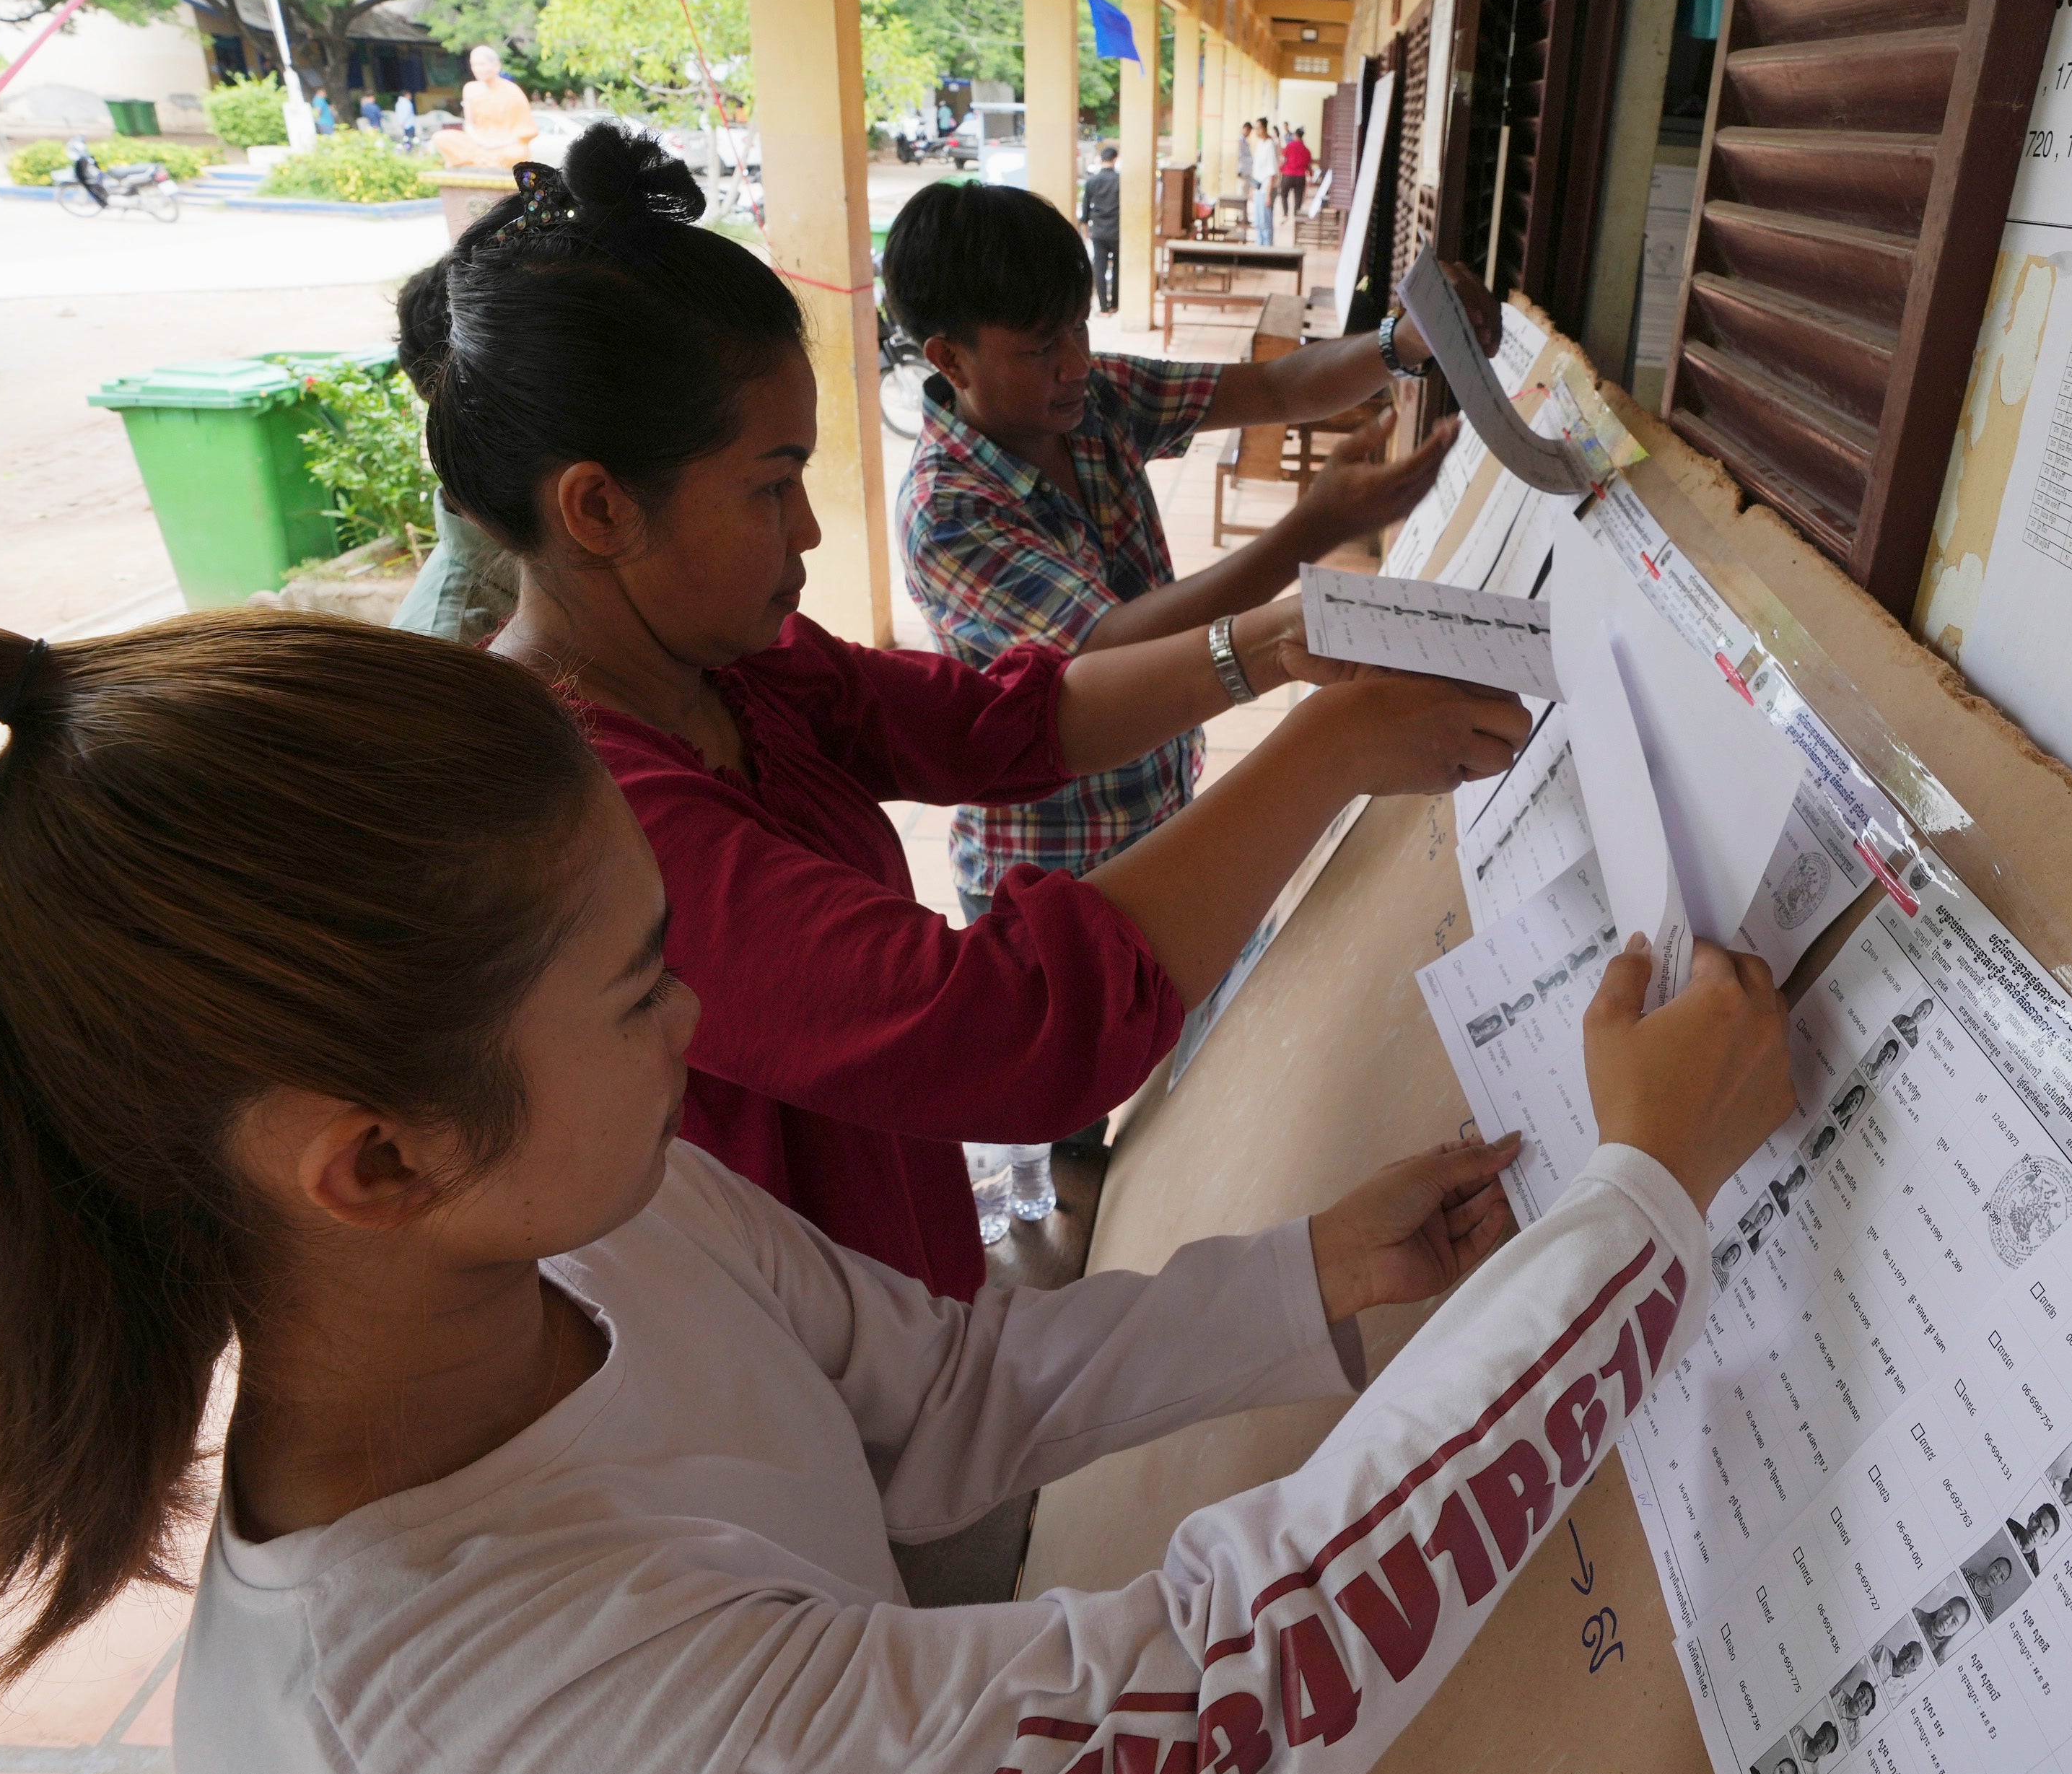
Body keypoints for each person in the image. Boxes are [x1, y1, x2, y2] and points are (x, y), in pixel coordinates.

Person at [0, 607, 1800, 1774]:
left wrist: (1311, 1280)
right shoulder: (480, 1717)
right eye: (639, 984)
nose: (694, 1019)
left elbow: (932, 1396)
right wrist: (1638, 1204)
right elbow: (1239, 1688)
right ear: (376, 1161)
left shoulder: (590, 1230)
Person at [401, 128, 1525, 1298]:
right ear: (598, 510)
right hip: (790, 1351)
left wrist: (1274, 641)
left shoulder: (744, 669)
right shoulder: (587, 816)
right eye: (770, 486)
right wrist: (1325, 749)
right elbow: (1001, 1029)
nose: (810, 531)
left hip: (895, 1289)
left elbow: (1006, 722)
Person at [889, 180, 1491, 964]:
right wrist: (1314, 526)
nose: (1075, 362)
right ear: (948, 358)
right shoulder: (950, 509)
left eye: (1080, 327)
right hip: (1055, 869)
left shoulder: (1090, 401)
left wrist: (1400, 345)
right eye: (1042, 347)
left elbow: (1274, 388)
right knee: (1108, 1073)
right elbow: (1109, 653)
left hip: (1164, 812)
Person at [434, 44, 539, 169]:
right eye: (474, 65)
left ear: (496, 66)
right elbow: (469, 125)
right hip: (478, 144)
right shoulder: (470, 89)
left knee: (517, 153)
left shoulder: (512, 91)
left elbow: (528, 131)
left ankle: (481, 161)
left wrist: (499, 143)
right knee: (440, 138)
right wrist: (481, 141)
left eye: (482, 64)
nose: (478, 69)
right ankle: (486, 161)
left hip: (505, 145)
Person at [1080, 139, 1122, 315]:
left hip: (1098, 231)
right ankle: (1115, 304)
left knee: (1100, 268)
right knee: (1118, 268)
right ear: (1115, 159)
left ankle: (1103, 307)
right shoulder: (1121, 181)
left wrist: (1085, 231)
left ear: (1101, 159)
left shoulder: (1091, 182)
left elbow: (1085, 208)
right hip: (1117, 230)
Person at [1248, 117, 1280, 245]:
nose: (1256, 131)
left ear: (1264, 129)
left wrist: (1268, 195)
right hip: (1258, 189)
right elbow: (1256, 171)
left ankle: (1268, 250)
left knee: (1266, 223)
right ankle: (1259, 250)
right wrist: (1252, 189)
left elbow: (1272, 172)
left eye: (1258, 128)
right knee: (1259, 222)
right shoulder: (1260, 144)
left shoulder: (1269, 145)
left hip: (1267, 189)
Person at [1278, 126, 1313, 217]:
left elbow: (1283, 159)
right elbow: (1308, 165)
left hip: (1288, 175)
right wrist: (1310, 175)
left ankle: (1286, 213)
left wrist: (1280, 169)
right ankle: (1296, 214)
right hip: (1300, 177)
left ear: (1296, 135)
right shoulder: (1306, 150)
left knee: (1284, 194)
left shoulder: (1289, 146)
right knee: (1298, 197)